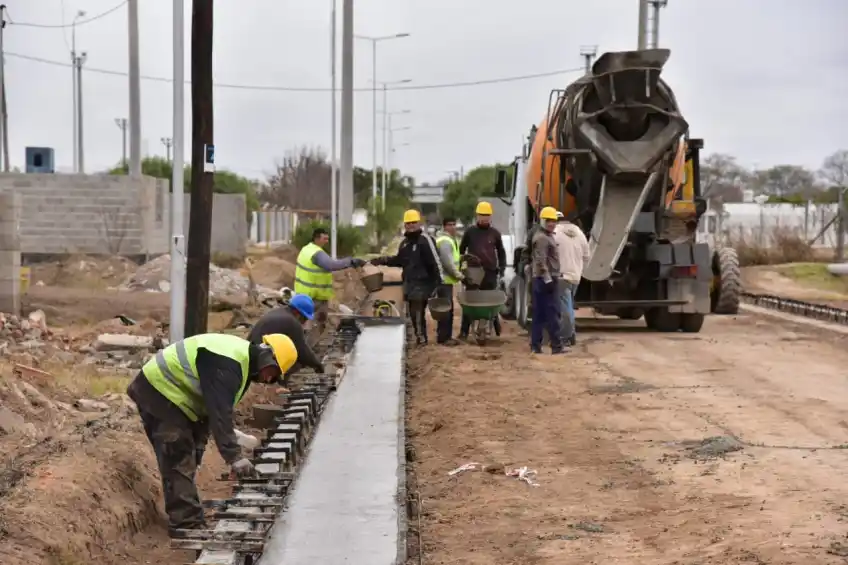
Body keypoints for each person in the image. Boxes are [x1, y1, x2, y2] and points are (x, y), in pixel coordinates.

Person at [126, 332, 298, 535]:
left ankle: (188, 510)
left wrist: (202, 444)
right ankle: (186, 524)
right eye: (273, 373)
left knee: (193, 452)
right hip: (159, 390)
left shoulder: (241, 366)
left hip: (178, 397)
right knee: (178, 453)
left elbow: (212, 413)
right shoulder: (228, 364)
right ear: (268, 358)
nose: (270, 380)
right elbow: (220, 414)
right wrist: (234, 457)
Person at [370, 209, 444, 345]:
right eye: (408, 223)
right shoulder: (405, 243)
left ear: (419, 223)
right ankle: (417, 336)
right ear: (405, 225)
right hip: (409, 283)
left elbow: (435, 261)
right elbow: (399, 260)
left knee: (417, 311)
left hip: (423, 283)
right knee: (411, 312)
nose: (411, 225)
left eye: (414, 223)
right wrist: (382, 260)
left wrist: (439, 282)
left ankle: (421, 339)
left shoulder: (425, 240)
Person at [294, 227, 367, 333]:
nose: (327, 241)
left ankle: (312, 343)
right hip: (313, 296)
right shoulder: (316, 253)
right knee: (311, 324)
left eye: (328, 239)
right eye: (324, 238)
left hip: (306, 293)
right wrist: (351, 261)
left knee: (314, 322)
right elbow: (331, 265)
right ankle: (308, 345)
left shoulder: (307, 249)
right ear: (316, 238)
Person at [458, 201, 507, 339]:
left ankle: (495, 325)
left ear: (490, 217)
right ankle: (464, 331)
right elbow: (461, 250)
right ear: (477, 216)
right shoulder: (470, 232)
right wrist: (461, 266)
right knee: (470, 301)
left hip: (491, 272)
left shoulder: (495, 233)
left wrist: (502, 269)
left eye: (487, 215)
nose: (484, 218)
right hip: (474, 272)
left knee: (490, 301)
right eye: (482, 215)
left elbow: (501, 252)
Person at [247, 294, 325, 376]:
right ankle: (279, 382)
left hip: (252, 354)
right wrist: (317, 365)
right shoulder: (292, 322)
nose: (304, 322)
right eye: (304, 318)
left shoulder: (279, 313)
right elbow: (302, 352)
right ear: (297, 312)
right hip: (259, 362)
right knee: (294, 360)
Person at [553, 211, 590, 347]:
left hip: (562, 275)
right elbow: (587, 256)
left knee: (564, 308)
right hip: (576, 276)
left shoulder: (555, 233)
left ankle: (566, 336)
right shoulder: (579, 233)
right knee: (568, 305)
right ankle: (571, 333)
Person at [530, 206, 564, 354]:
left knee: (540, 314)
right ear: (543, 221)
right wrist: (548, 280)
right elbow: (540, 261)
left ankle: (536, 346)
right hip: (545, 281)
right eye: (549, 221)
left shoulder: (546, 236)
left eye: (554, 221)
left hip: (542, 280)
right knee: (552, 313)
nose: (552, 223)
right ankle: (556, 346)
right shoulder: (542, 238)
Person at [435, 217, 464, 345]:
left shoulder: (450, 239)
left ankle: (446, 336)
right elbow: (448, 262)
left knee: (447, 308)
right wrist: (459, 275)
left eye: (454, 224)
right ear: (444, 226)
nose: (452, 227)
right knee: (446, 310)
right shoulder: (445, 241)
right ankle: (444, 338)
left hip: (447, 281)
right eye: (449, 225)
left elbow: (454, 258)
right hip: (444, 280)